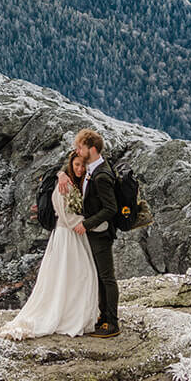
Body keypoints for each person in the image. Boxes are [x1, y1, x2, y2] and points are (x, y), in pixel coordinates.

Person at [0, 151, 99, 339]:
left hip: (71, 235)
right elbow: (65, 215)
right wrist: (91, 222)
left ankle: (74, 312)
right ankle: (69, 315)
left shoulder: (74, 182)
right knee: (76, 275)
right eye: (76, 165)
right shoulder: (65, 184)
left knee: (74, 275)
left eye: (83, 166)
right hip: (67, 235)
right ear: (71, 165)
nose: (80, 169)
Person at [72, 127, 121, 338]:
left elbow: (111, 209)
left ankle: (112, 322)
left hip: (100, 233)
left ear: (91, 149)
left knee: (107, 277)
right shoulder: (95, 168)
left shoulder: (101, 175)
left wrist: (87, 224)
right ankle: (104, 317)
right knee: (101, 277)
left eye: (80, 147)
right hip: (97, 232)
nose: (77, 150)